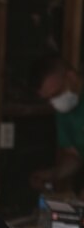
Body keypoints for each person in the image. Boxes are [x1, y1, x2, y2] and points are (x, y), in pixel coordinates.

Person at [30, 54, 84, 193]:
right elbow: (76, 155)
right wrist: (53, 175)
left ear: (71, 77)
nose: (54, 102)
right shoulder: (63, 113)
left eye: (56, 94)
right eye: (48, 99)